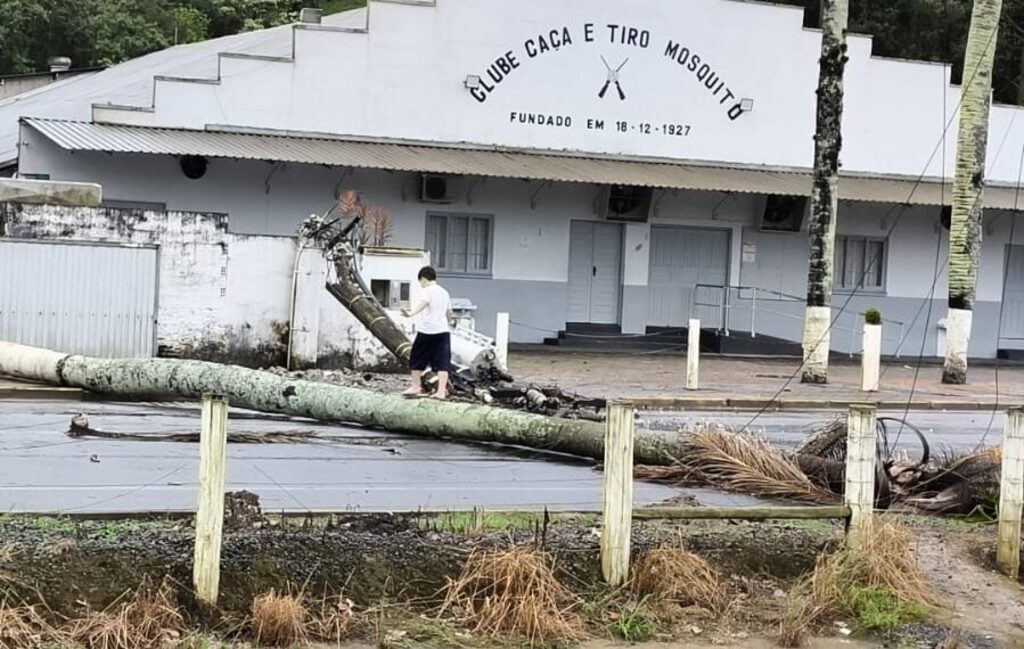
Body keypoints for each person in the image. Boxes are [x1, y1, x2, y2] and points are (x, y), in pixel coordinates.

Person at [401, 266, 452, 399]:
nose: (421, 285)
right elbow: (448, 313)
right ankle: (441, 391)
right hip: (443, 331)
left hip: (427, 330)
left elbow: (422, 304)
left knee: (417, 358)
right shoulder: (444, 292)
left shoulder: (427, 290)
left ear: (423, 279)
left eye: (420, 282)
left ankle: (416, 386)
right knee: (442, 362)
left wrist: (410, 313)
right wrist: (450, 323)